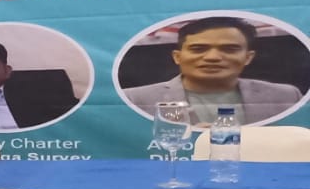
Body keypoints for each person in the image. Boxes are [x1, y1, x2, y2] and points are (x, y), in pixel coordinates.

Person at [123, 15, 303, 125]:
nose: (213, 57)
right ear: (177, 57)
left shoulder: (286, 96)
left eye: (229, 49)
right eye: (198, 49)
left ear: (248, 57)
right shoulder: (135, 99)